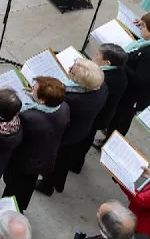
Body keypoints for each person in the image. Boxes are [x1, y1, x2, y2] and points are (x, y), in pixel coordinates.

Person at [37, 58, 108, 195]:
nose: (69, 70)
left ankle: (47, 185)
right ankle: (57, 182)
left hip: (66, 134)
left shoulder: (71, 99)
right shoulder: (102, 88)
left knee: (56, 159)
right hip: (81, 130)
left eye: (71, 71)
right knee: (64, 158)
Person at [104, 12, 150, 140]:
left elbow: (140, 80)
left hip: (132, 95)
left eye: (143, 26)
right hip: (132, 90)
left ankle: (111, 139)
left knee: (121, 119)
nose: (140, 28)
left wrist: (121, 62)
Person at [3, 77, 69, 210]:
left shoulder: (29, 118)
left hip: (24, 161)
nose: (31, 89)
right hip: (44, 158)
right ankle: (21, 207)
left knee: (13, 187)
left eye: (34, 89)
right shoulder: (64, 108)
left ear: (42, 100)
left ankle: (7, 211)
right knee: (29, 184)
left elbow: (15, 138)